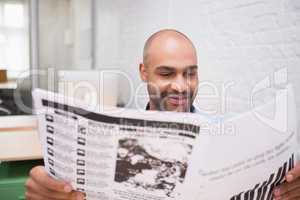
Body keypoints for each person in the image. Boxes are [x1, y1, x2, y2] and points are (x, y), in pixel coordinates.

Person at [25, 29, 300, 200]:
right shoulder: (111, 139)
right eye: (166, 73)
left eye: (190, 73)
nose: (180, 86)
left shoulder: (226, 133)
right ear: (144, 71)